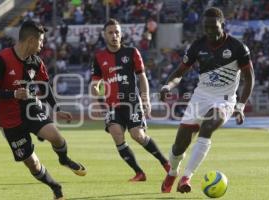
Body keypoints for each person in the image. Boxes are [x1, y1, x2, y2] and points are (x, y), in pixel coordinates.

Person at [0, 20, 86, 200]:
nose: (42, 45)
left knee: (55, 136)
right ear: (31, 40)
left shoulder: (36, 62)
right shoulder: (1, 59)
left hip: (31, 109)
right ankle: (55, 187)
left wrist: (57, 109)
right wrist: (13, 93)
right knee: (32, 163)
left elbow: (45, 87)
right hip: (10, 120)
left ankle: (64, 160)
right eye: (41, 41)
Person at [160, 7, 254, 193]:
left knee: (208, 127)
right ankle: (173, 171)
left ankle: (186, 177)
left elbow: (249, 77)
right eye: (207, 27)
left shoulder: (238, 47)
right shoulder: (198, 46)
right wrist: (167, 86)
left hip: (225, 99)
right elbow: (179, 73)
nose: (210, 31)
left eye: (214, 27)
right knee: (179, 146)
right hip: (200, 97)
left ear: (223, 25)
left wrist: (240, 106)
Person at [90, 18, 170, 181]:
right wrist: (95, 91)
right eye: (110, 32)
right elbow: (95, 81)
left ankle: (166, 163)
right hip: (112, 105)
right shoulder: (99, 57)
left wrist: (145, 98)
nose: (114, 35)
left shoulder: (132, 52)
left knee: (137, 135)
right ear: (104, 35)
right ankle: (139, 173)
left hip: (131, 102)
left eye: (117, 32)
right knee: (116, 133)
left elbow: (142, 77)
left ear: (121, 34)